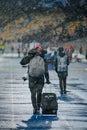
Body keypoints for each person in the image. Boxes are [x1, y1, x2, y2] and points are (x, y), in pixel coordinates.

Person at [20, 48, 45, 114]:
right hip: (40, 78)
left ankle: (35, 108)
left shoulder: (30, 59)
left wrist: (28, 56)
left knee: (33, 94)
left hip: (32, 78)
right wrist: (47, 79)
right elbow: (45, 69)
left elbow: (22, 62)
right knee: (39, 93)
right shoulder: (42, 58)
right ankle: (38, 106)